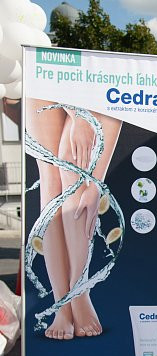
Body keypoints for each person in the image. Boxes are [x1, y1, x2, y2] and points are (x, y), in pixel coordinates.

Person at [26, 98, 122, 340]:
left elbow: (116, 102)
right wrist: (78, 116)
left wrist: (95, 184)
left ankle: (79, 291)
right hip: (48, 82)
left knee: (74, 166)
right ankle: (63, 304)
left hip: (89, 83)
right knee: (51, 179)